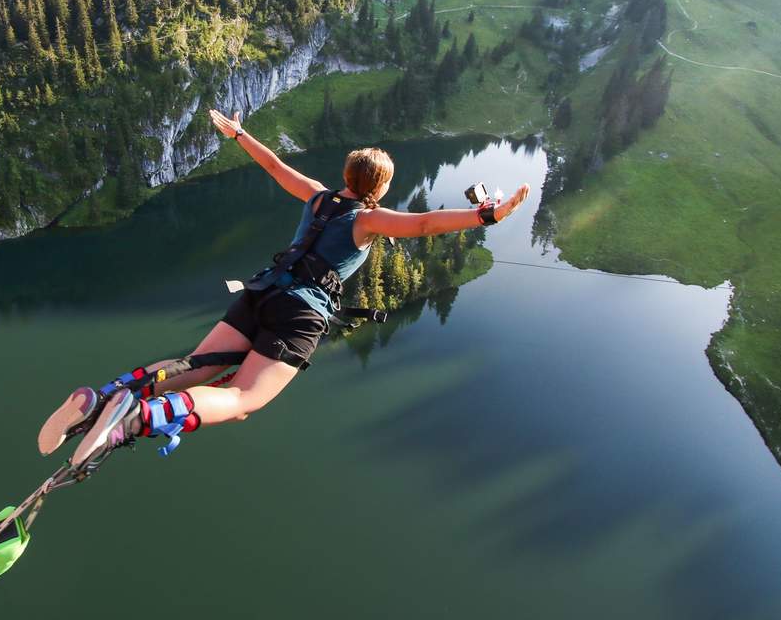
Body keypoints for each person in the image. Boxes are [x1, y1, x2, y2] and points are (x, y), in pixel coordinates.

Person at [39, 109, 531, 467]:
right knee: (241, 399)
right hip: (299, 314)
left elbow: (274, 165)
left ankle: (104, 399)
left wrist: (239, 134)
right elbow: (424, 224)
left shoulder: (317, 198)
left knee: (197, 366)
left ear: (345, 175)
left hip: (261, 292)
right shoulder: (370, 218)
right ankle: (130, 423)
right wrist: (488, 213)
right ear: (378, 188)